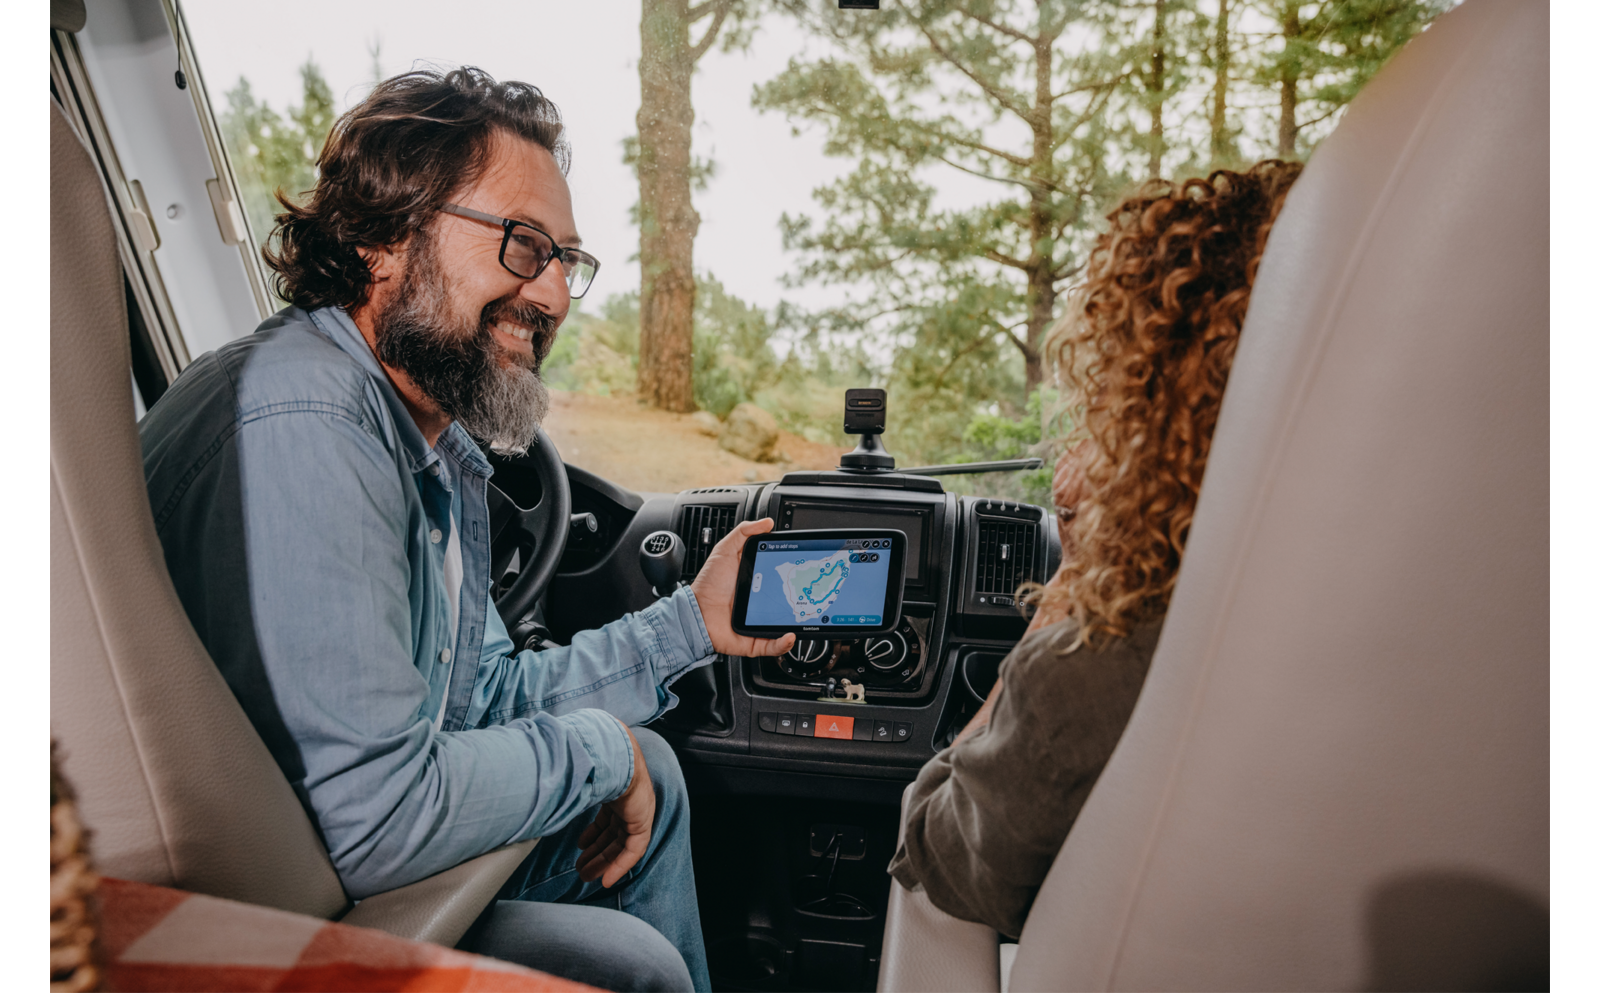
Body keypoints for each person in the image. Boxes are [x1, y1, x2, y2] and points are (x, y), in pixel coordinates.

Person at [139, 67, 793, 992]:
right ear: (380, 239)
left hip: (316, 853)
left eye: (569, 260)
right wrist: (602, 753)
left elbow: (480, 698)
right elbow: (379, 817)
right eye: (525, 246)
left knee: (657, 772)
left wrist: (690, 624)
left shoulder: (426, 440)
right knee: (633, 960)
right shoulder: (307, 425)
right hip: (263, 906)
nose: (557, 297)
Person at [887, 160, 1305, 940]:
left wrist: (1061, 608)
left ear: (1157, 411)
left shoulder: (1096, 670)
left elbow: (935, 850)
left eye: (1107, 403)